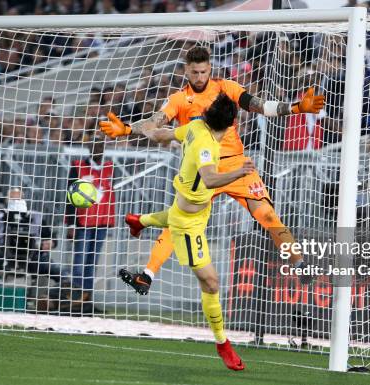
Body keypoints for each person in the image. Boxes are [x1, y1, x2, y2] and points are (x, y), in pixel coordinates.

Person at [100, 46, 325, 295]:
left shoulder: (225, 87)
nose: (199, 77)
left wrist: (295, 108)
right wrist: (128, 129)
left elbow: (259, 105)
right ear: (186, 70)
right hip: (202, 169)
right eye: (195, 72)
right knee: (179, 223)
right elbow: (155, 122)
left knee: (269, 216)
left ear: (210, 69)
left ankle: (300, 265)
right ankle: (147, 275)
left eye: (204, 71)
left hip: (237, 165)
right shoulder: (178, 99)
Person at [120, 93, 253, 370]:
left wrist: (137, 128)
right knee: (211, 283)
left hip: (192, 207)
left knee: (174, 215)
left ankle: (140, 221)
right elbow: (210, 178)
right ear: (231, 125)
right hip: (189, 225)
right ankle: (223, 344)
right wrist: (240, 172)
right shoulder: (207, 146)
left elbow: (161, 136)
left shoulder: (194, 126)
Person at [65, 131, 115, 301]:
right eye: (94, 144)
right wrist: (70, 224)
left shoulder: (110, 168)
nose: (98, 148)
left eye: (100, 144)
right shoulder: (78, 166)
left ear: (104, 147)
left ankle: (86, 300)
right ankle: (75, 298)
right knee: (79, 262)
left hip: (102, 221)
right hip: (83, 222)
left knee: (92, 263)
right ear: (88, 147)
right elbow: (69, 197)